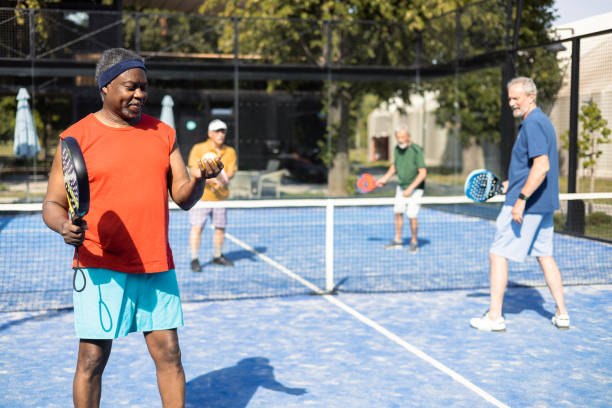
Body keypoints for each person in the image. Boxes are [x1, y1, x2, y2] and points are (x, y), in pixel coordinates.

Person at [42, 48, 222, 407]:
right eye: (130, 87)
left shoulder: (163, 133)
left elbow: (184, 197)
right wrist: (64, 226)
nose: (139, 94)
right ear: (105, 87)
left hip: (155, 265)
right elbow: (52, 204)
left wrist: (200, 177)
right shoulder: (76, 138)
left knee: (170, 355)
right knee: (92, 361)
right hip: (98, 266)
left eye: (144, 88)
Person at [470, 76, 569, 332]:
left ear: (531, 97)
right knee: (545, 256)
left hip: (529, 205)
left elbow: (542, 166)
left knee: (498, 254)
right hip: (543, 203)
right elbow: (529, 169)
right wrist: (509, 185)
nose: (511, 102)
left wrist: (520, 200)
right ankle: (562, 313)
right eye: (510, 98)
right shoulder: (541, 122)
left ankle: (494, 317)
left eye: (516, 98)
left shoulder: (533, 124)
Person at [187, 119, 238, 271]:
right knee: (197, 227)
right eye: (217, 131)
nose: (220, 134)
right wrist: (211, 181)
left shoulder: (230, 152)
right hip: (201, 198)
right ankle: (194, 259)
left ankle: (217, 256)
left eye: (223, 131)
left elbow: (230, 172)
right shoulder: (198, 148)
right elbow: (193, 170)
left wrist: (221, 181)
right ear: (210, 134)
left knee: (220, 228)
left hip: (220, 199)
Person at [376, 127, 427, 253]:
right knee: (398, 212)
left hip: (416, 189)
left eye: (403, 137)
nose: (400, 140)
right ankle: (398, 240)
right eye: (398, 137)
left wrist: (410, 189)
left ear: (408, 136)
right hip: (401, 187)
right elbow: (394, 166)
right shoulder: (397, 149)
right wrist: (385, 178)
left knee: (411, 215)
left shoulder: (416, 150)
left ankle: (414, 241)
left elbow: (423, 173)